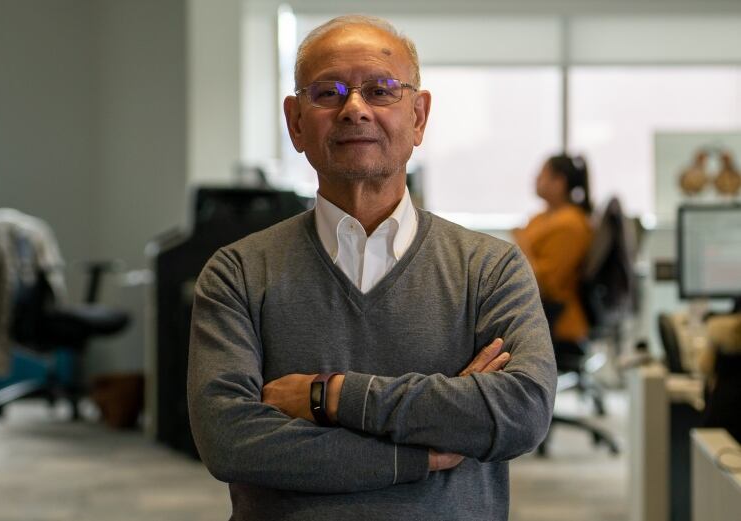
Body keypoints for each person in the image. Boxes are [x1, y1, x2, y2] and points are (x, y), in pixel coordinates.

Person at [188, 15, 556, 521]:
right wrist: (419, 454)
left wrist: (328, 397)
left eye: (381, 91)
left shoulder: (489, 268)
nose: (354, 108)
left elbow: (520, 412)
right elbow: (229, 440)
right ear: (296, 122)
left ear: (419, 117)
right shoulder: (238, 273)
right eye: (328, 93)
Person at [513, 154, 594, 343]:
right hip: (534, 312)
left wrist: (521, 246)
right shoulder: (541, 218)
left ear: (559, 182)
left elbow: (546, 286)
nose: (536, 179)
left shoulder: (570, 224)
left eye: (542, 174)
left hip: (556, 318)